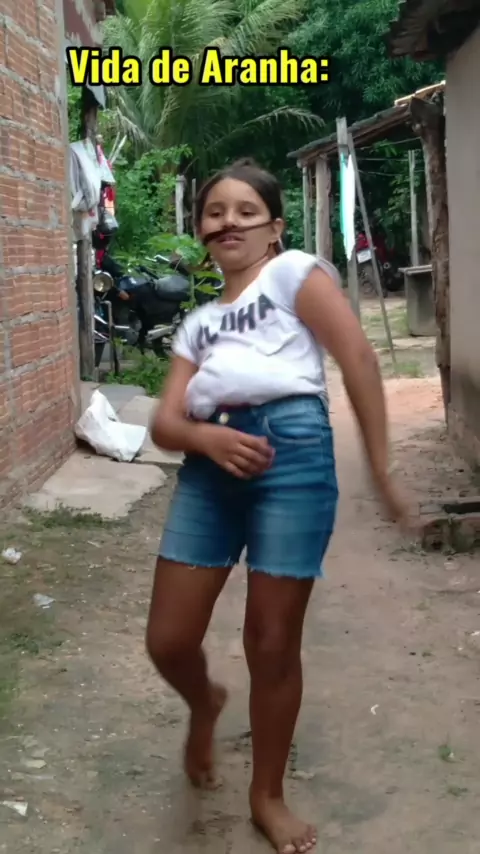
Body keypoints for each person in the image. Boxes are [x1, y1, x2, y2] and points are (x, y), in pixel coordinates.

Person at [147, 158, 414, 854]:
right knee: (168, 639)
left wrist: (381, 470)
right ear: (201, 231)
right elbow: (165, 423)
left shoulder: (294, 273)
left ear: (275, 228)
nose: (227, 221)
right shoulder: (199, 324)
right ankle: (205, 702)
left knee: (270, 642)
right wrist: (205, 437)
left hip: (291, 453)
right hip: (208, 464)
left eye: (245, 210)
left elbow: (357, 359)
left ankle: (266, 794)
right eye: (214, 212)